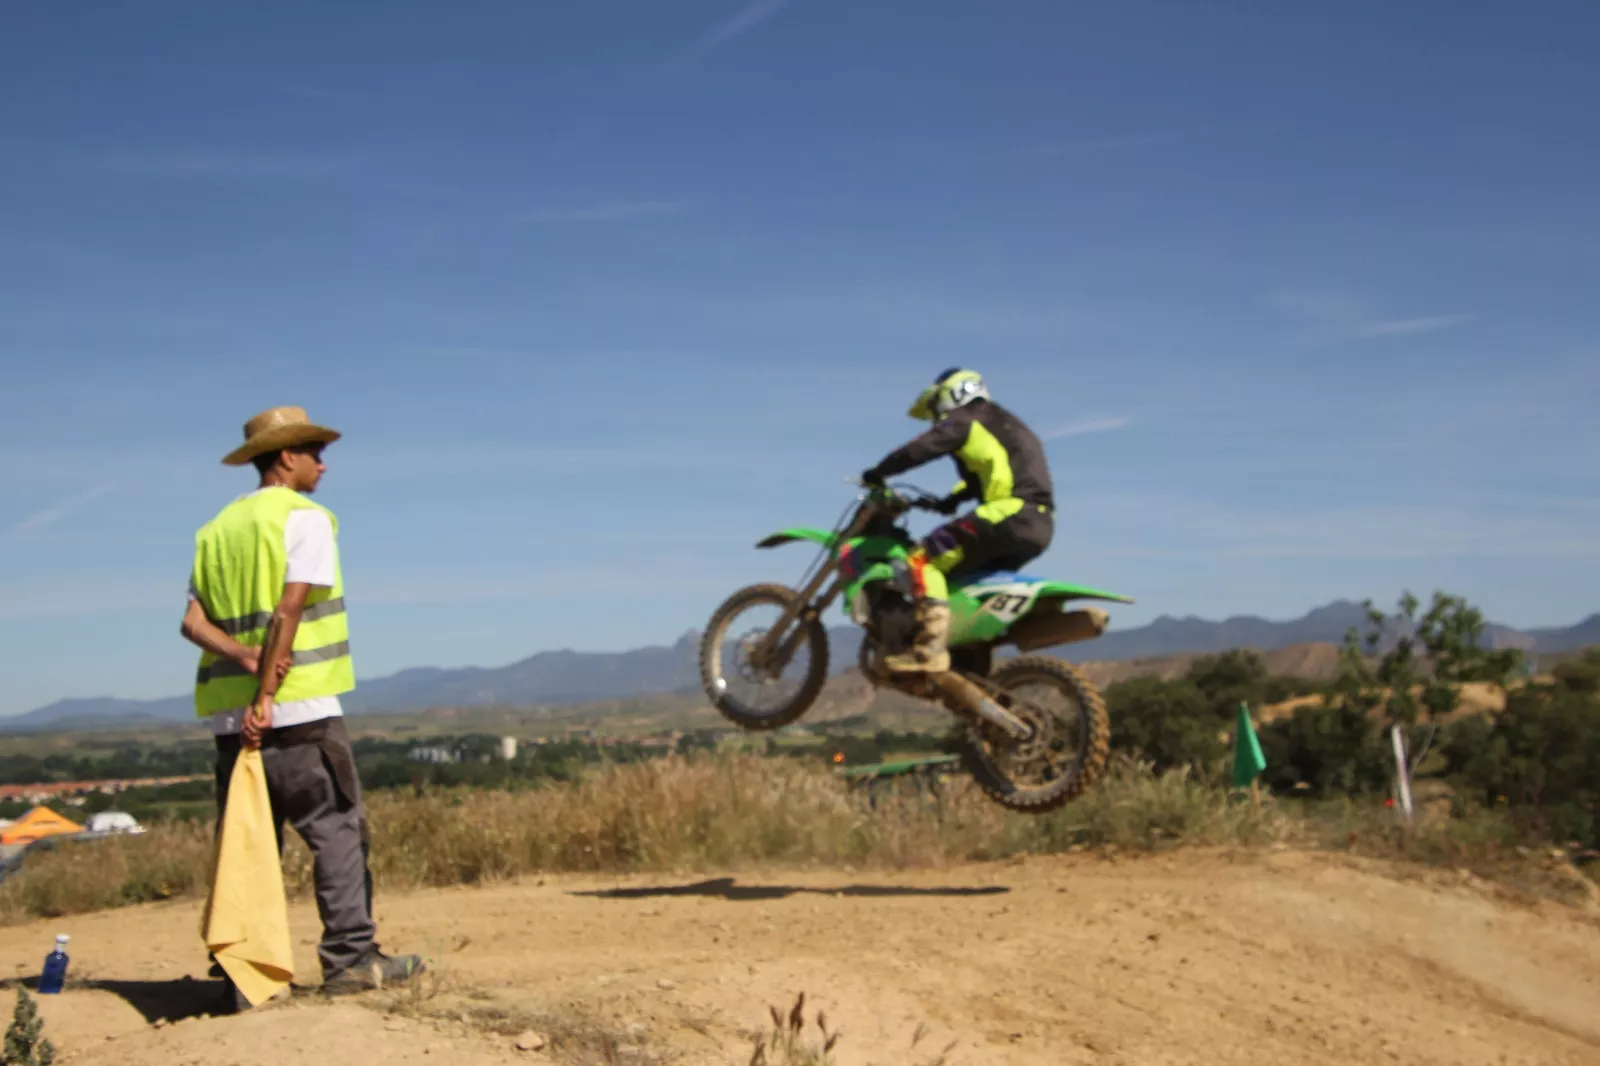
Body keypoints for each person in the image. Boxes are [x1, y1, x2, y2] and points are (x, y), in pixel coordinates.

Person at [180, 405, 422, 1006]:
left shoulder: (216, 529)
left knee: (247, 844)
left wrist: (241, 659)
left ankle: (242, 974)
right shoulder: (305, 518)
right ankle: (351, 962)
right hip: (298, 712)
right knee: (336, 831)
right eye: (314, 452)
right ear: (285, 456)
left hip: (229, 723)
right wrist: (266, 691)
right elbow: (289, 610)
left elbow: (191, 623)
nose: (323, 463)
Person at [861, 369, 1055, 673]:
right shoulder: (1008, 425)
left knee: (921, 560)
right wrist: (949, 501)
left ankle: (930, 651)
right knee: (963, 583)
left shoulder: (965, 419)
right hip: (1040, 524)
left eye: (937, 408)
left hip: (1008, 514)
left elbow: (920, 449)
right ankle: (969, 656)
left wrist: (879, 472)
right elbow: (990, 473)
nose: (937, 418)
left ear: (950, 394)